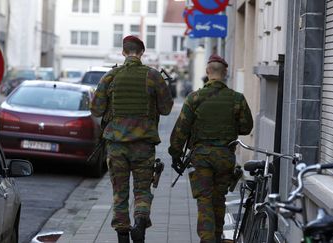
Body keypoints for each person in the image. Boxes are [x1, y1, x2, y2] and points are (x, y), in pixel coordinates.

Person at [90, 35, 173, 243]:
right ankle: (141, 221)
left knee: (120, 192)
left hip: (117, 146)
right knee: (142, 190)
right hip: (144, 146)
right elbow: (166, 108)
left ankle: (123, 237)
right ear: (142, 53)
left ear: (123, 52)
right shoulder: (153, 76)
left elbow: (96, 109)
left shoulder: (110, 77)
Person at [168, 54, 253, 243]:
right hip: (225, 157)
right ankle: (216, 236)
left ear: (207, 72)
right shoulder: (237, 99)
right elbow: (246, 127)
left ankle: (207, 240)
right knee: (219, 199)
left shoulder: (194, 98)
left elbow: (181, 129)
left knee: (204, 200)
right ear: (226, 73)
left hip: (202, 158)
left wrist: (175, 154)